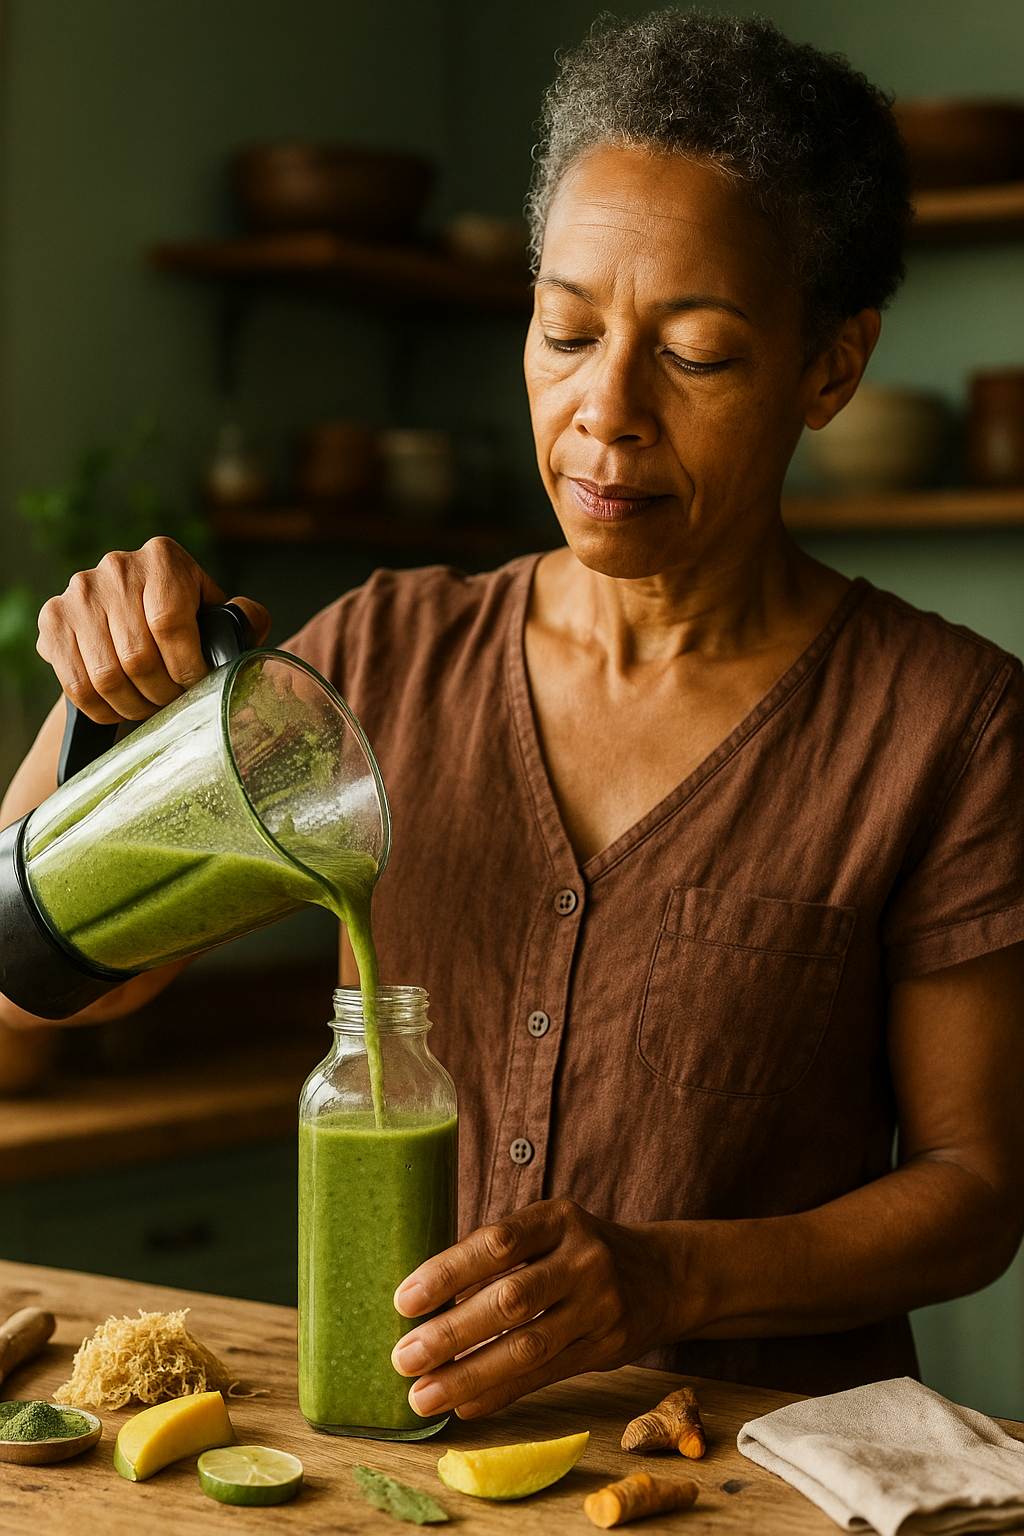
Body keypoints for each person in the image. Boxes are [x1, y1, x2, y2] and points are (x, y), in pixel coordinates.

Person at [4, 10, 1024, 1422]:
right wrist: (101, 718)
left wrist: (671, 1279)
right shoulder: (378, 662)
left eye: (701, 353)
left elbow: (975, 1196)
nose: (606, 409)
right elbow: (44, 979)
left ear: (831, 367)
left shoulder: (948, 723)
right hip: (407, 1468)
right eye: (565, 328)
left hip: (773, 1477)